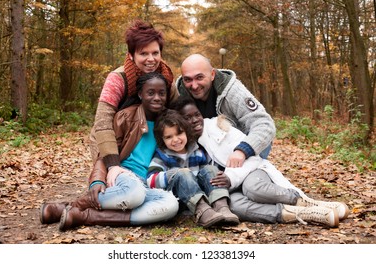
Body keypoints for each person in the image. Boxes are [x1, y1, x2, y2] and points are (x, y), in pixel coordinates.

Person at [171, 97, 350, 228]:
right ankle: (304, 213)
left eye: (196, 115)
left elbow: (253, 158)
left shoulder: (220, 128)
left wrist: (230, 178)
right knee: (235, 207)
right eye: (187, 118)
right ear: (179, 122)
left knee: (253, 189)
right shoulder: (183, 146)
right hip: (229, 190)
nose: (194, 120)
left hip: (252, 171)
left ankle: (311, 203)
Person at [40, 72, 179, 231]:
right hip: (123, 177)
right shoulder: (126, 117)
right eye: (151, 93)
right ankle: (74, 205)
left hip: (148, 183)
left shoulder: (169, 121)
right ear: (140, 94)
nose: (157, 98)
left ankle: (81, 216)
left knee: (171, 204)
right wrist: (97, 180)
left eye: (162, 93)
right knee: (135, 194)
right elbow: (105, 153)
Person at [90, 19, 177, 181]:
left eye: (155, 53)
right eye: (143, 53)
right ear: (131, 55)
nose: (151, 59)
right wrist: (112, 164)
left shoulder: (167, 81)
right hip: (113, 139)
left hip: (147, 142)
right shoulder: (117, 79)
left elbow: (178, 113)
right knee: (107, 184)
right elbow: (102, 123)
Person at [147, 109, 239, 228]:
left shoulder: (197, 152)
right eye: (169, 137)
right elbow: (151, 180)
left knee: (210, 169)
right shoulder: (162, 155)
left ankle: (221, 206)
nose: (175, 139)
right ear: (162, 140)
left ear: (186, 132)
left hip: (204, 197)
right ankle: (202, 211)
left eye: (179, 133)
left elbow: (206, 176)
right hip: (180, 200)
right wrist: (173, 174)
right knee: (183, 174)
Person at [176, 53, 275, 163]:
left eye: (199, 77)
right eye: (188, 80)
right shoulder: (179, 96)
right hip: (208, 152)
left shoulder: (232, 91)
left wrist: (242, 150)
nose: (194, 86)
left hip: (242, 147)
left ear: (212, 74)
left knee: (247, 177)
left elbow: (264, 124)